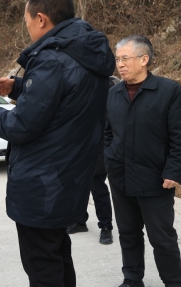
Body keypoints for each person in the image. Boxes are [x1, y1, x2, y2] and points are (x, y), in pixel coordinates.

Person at [0, 0, 115, 287]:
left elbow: (21, 126)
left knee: (42, 266)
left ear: (41, 18)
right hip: (68, 177)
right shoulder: (84, 53)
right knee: (58, 255)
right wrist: (17, 87)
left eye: (26, 20)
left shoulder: (52, 59)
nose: (26, 26)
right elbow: (64, 103)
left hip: (43, 184)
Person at [104, 36, 181, 287]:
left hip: (155, 179)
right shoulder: (113, 93)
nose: (120, 64)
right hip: (120, 177)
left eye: (125, 58)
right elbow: (108, 132)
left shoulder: (168, 91)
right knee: (128, 233)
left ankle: (173, 281)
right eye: (117, 59)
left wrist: (174, 171)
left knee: (162, 237)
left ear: (144, 60)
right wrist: (110, 158)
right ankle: (132, 278)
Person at [66, 76, 120, 245]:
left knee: (97, 187)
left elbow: (111, 119)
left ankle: (106, 226)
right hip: (78, 145)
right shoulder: (79, 83)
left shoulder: (108, 85)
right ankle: (79, 220)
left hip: (99, 144)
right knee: (77, 187)